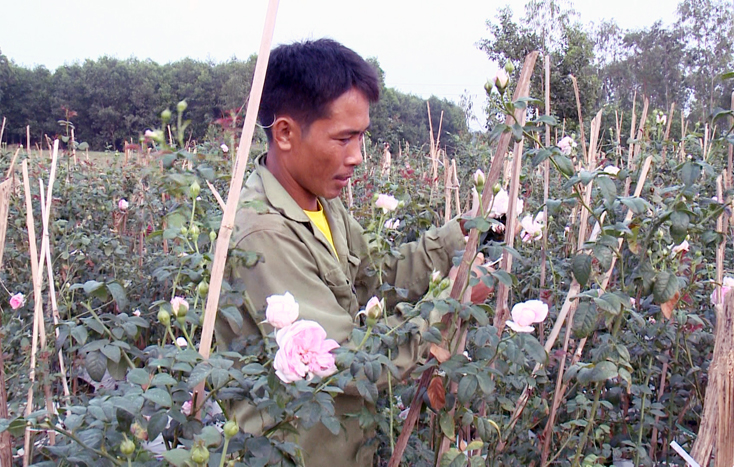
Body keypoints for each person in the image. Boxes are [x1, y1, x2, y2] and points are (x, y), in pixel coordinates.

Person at [215, 38, 473, 466]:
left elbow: (378, 282)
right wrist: (454, 305)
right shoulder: (261, 234)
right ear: (284, 133)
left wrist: (456, 237)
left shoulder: (320, 203)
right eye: (343, 138)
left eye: (361, 137)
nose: (356, 157)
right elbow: (346, 359)